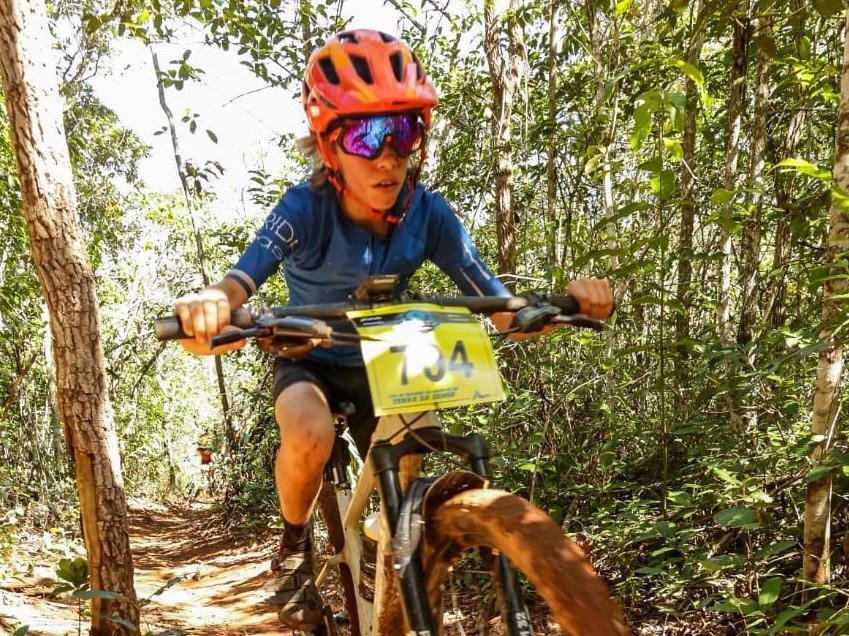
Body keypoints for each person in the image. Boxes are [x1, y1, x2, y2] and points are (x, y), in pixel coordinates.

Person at [174, 29, 613, 630]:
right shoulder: (303, 208)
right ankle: (293, 549)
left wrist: (567, 303)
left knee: (427, 452)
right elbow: (239, 281)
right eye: (364, 135)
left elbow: (498, 304)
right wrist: (211, 305)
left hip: (392, 356)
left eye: (403, 133)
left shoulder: (429, 214)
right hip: (312, 354)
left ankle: (415, 561)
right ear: (329, 145)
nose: (386, 156)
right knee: (307, 431)